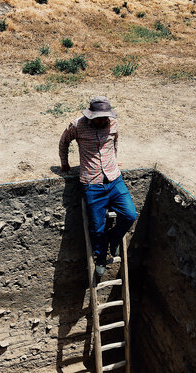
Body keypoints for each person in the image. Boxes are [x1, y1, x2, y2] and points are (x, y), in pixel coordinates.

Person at [59, 97, 138, 276]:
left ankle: (114, 238)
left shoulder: (113, 124)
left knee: (130, 214)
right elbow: (64, 142)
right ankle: (100, 257)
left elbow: (115, 142)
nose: (104, 121)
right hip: (92, 184)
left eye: (106, 118)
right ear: (91, 116)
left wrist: (115, 160)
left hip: (114, 179)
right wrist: (64, 162)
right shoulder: (77, 126)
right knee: (96, 227)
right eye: (100, 118)